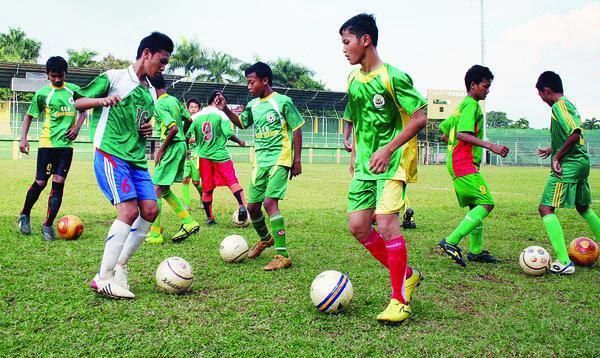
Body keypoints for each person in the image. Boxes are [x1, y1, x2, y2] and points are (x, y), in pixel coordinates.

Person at [340, 14, 427, 323]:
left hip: (393, 162)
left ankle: (399, 299)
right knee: (359, 227)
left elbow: (420, 117)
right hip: (364, 164)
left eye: (346, 41)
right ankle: (407, 274)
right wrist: (352, 148)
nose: (343, 48)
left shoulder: (394, 77)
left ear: (366, 40)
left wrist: (389, 148)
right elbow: (355, 113)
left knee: (387, 223)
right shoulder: (352, 79)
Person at [74, 32, 174, 299]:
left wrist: (146, 127)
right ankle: (103, 277)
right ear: (146, 54)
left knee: (151, 210)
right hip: (111, 154)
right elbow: (79, 102)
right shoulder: (114, 77)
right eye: (162, 61)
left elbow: (142, 125)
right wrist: (101, 100)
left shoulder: (150, 92)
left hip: (137, 160)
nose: (163, 67)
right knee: (128, 211)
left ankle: (120, 265)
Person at [216, 61, 304, 271]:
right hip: (259, 162)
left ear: (265, 81)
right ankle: (265, 239)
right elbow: (242, 123)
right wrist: (226, 109)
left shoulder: (282, 102)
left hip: (280, 159)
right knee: (252, 207)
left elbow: (297, 128)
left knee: (269, 203)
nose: (248, 86)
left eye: (251, 82)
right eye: (247, 82)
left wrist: (296, 160)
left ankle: (282, 255)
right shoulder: (253, 105)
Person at [438, 65, 509, 267]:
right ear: (473, 85)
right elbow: (462, 134)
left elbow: (445, 132)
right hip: (463, 164)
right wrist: (490, 146)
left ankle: (476, 251)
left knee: (476, 205)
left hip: (458, 162)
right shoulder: (471, 106)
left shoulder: (461, 107)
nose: (488, 90)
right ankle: (450, 241)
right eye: (485, 86)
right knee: (486, 203)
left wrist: (454, 148)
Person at [535, 71, 600, 274]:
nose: (542, 100)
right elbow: (570, 135)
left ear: (546, 90)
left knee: (545, 208)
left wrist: (556, 157)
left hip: (569, 165)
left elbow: (575, 132)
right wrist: (552, 149)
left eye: (541, 95)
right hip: (581, 162)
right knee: (583, 207)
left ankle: (564, 261)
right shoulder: (569, 104)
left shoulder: (558, 106)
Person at [18, 56, 87, 241]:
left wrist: (77, 128)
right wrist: (23, 139)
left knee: (59, 183)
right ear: (47, 75)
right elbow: (29, 115)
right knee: (40, 183)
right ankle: (25, 214)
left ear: (66, 73)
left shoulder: (74, 91)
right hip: (47, 145)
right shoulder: (42, 94)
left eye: (60, 76)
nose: (57, 79)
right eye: (53, 76)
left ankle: (47, 225)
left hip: (66, 147)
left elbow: (84, 110)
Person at [145, 75, 200, 244]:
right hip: (181, 146)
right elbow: (189, 120)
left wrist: (161, 149)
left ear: (151, 88)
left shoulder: (160, 104)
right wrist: (184, 137)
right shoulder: (174, 100)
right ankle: (188, 222)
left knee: (155, 190)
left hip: (171, 146)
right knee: (164, 189)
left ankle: (155, 234)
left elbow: (174, 128)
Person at [186, 90, 247, 225]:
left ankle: (210, 219)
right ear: (217, 100)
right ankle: (242, 206)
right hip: (220, 156)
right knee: (232, 181)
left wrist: (186, 150)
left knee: (207, 188)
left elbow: (186, 134)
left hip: (204, 157)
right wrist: (239, 141)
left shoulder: (196, 116)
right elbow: (227, 132)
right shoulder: (222, 115)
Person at [345, 121, 417, 229]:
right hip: (378, 158)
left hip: (388, 158)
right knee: (391, 188)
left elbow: (418, 120)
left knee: (387, 190)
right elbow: (354, 122)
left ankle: (379, 215)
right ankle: (405, 212)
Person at [181, 98, 202, 210]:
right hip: (187, 153)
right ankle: (187, 204)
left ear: (199, 109)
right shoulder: (186, 122)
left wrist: (192, 140)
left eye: (195, 107)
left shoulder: (201, 122)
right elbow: (184, 138)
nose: (193, 109)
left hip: (197, 154)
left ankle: (203, 197)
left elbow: (203, 138)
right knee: (185, 179)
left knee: (196, 182)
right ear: (188, 109)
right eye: (191, 107)